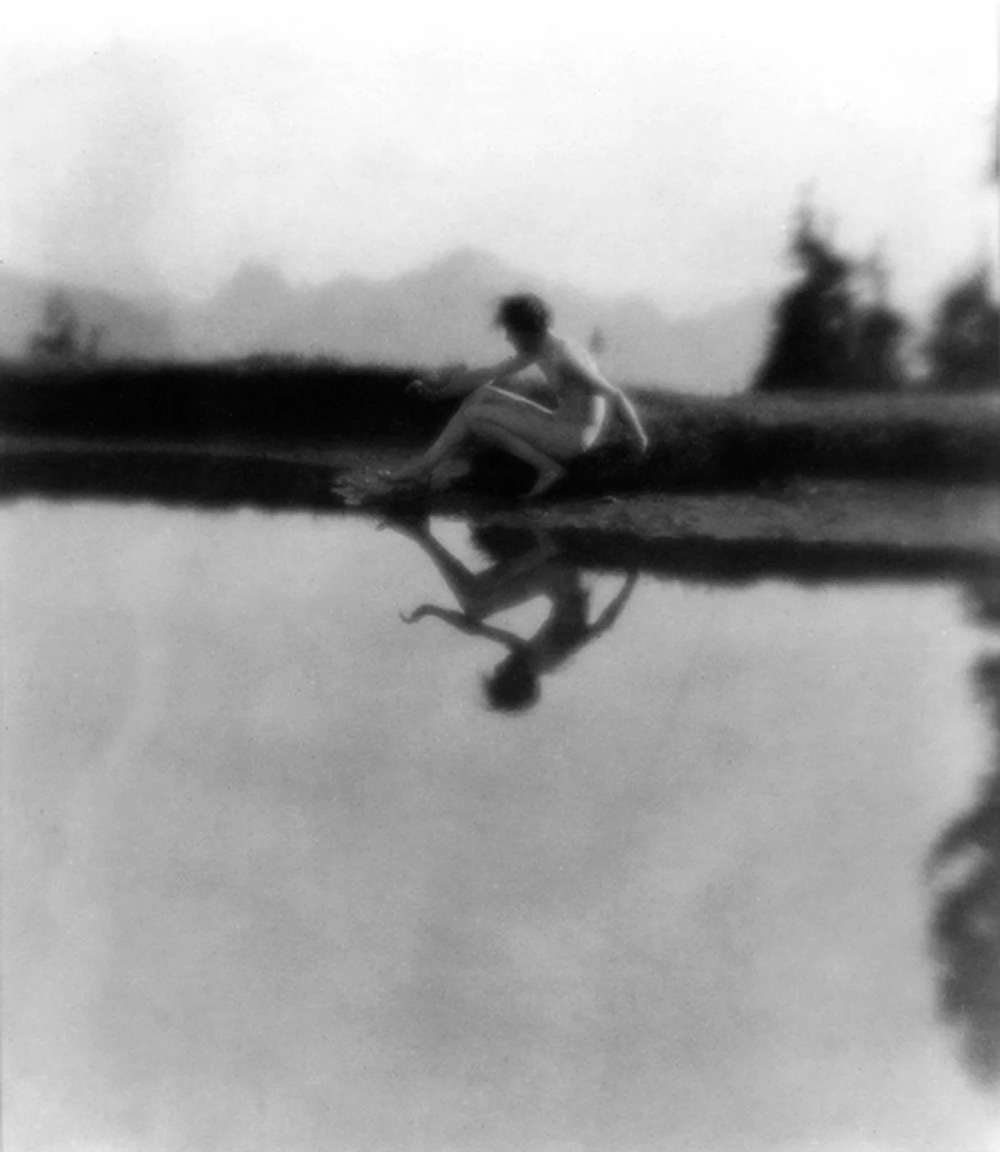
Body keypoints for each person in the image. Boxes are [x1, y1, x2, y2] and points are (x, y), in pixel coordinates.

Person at [383, 293, 651, 499]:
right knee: (484, 394)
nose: (508, 337)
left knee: (476, 417)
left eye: (510, 331)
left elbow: (612, 393)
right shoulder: (540, 347)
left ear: (525, 330)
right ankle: (425, 467)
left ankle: (547, 468)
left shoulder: (563, 356)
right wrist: (437, 394)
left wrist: (639, 435)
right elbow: (488, 373)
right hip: (560, 423)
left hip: (572, 437)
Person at [385, 515, 639, 712]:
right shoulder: (547, 658)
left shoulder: (532, 660)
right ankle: (543, 547)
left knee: (474, 604)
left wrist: (432, 611)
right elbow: (601, 626)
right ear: (515, 680)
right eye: (500, 673)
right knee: (474, 599)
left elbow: (477, 629)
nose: (499, 666)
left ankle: (421, 533)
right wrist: (630, 582)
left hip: (554, 582)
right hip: (560, 576)